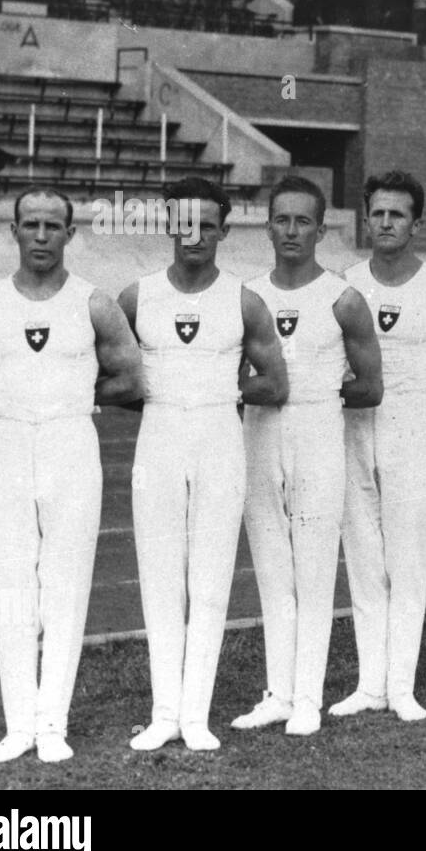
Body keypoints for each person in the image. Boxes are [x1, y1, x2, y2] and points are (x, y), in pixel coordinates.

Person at [0, 187, 142, 763]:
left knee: (66, 584)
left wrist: (73, 397)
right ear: (14, 230)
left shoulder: (94, 303)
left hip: (71, 442)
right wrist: (3, 398)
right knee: (10, 588)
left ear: (71, 234)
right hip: (7, 445)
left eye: (54, 226)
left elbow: (131, 379)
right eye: (31, 224)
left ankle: (52, 723)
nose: (42, 236)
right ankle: (18, 725)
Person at [118, 177, 289, 753]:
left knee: (211, 581)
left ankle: (196, 716)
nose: (195, 234)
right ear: (169, 224)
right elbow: (110, 374)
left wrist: (223, 394)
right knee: (161, 575)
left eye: (207, 224)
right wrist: (160, 396)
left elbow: (276, 382)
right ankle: (164, 712)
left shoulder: (244, 300)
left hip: (220, 437)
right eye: (184, 222)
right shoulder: (136, 296)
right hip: (158, 437)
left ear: (223, 229)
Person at [330, 171, 426, 723]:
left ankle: (401, 685)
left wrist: (425, 385)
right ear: (366, 217)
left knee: (407, 558)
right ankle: (369, 683)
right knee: (364, 557)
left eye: (397, 214)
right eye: (378, 213)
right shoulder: (343, 285)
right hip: (352, 425)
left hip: (410, 427)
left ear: (417, 223)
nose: (386, 223)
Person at [233, 176, 383, 736]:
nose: (291, 230)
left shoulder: (343, 299)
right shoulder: (245, 296)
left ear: (322, 229)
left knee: (315, 571)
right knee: (272, 568)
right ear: (266, 224)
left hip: (321, 435)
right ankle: (278, 692)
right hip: (259, 435)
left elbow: (370, 386)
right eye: (281, 219)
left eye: (303, 221)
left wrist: (317, 400)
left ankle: (308, 700)